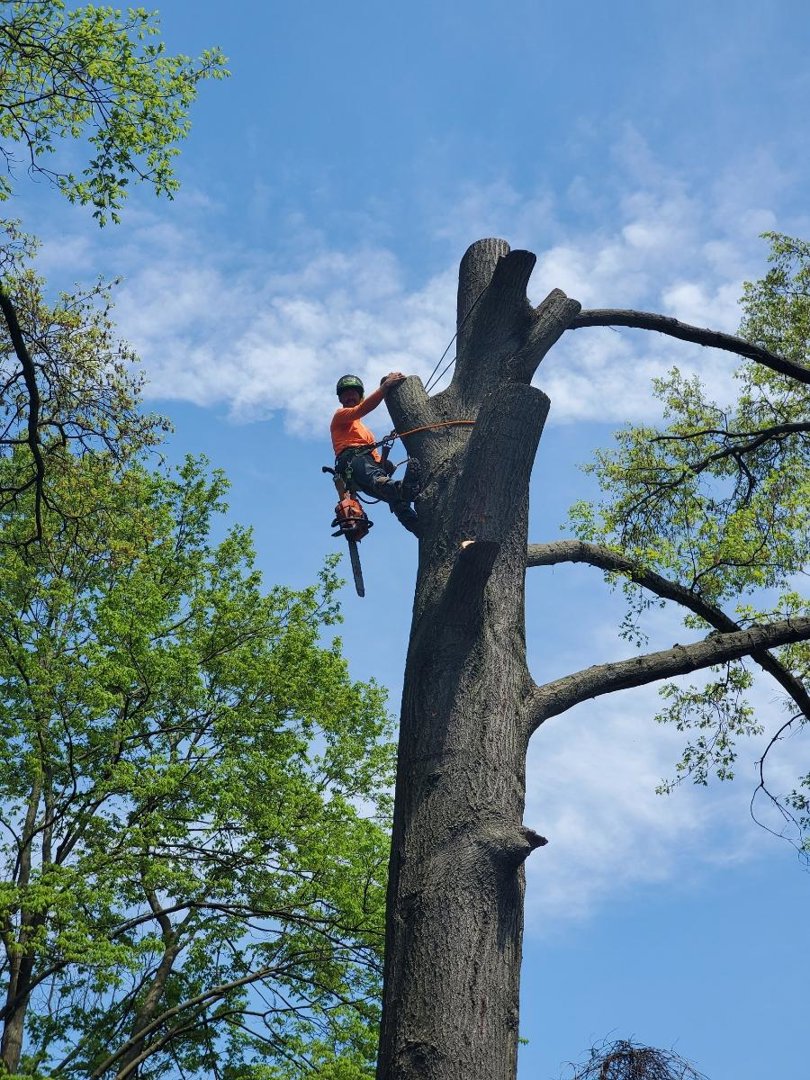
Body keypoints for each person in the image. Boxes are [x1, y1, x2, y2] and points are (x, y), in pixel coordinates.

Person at [330, 372, 420, 535]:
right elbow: (361, 410)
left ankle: (414, 524)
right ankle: (403, 488)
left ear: (360, 396)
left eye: (353, 393)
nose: (350, 396)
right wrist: (384, 388)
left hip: (363, 464)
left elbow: (375, 460)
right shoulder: (340, 416)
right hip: (352, 460)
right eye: (346, 394)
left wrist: (383, 464)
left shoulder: (365, 431)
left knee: (390, 493)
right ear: (340, 399)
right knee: (378, 481)